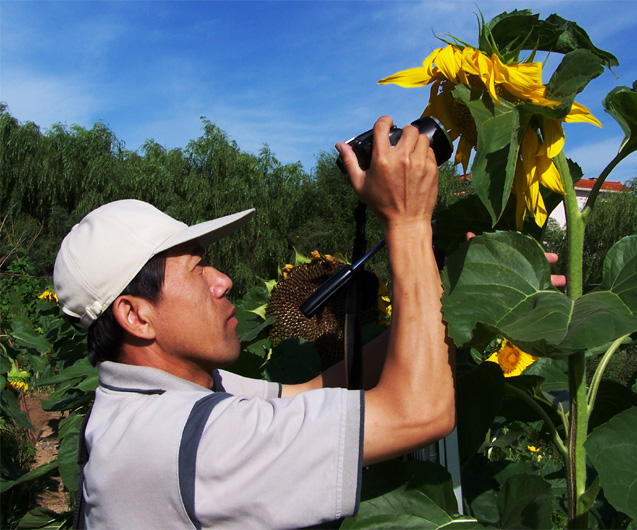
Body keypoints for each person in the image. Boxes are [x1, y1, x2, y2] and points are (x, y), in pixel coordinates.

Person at [53, 116, 455, 529]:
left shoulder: (153, 398)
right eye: (197, 269)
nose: (223, 281)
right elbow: (420, 413)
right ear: (136, 315)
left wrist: (444, 302)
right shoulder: (187, 442)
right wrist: (408, 224)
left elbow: (310, 391)